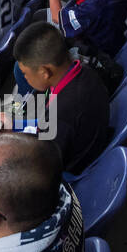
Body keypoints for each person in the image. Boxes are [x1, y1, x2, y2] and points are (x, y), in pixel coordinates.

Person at [13, 22, 112, 175]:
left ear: (45, 71)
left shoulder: (62, 114)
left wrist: (0, 144)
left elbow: (38, 168)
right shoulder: (85, 71)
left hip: (69, 175)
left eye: (25, 73)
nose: (25, 78)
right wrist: (14, 125)